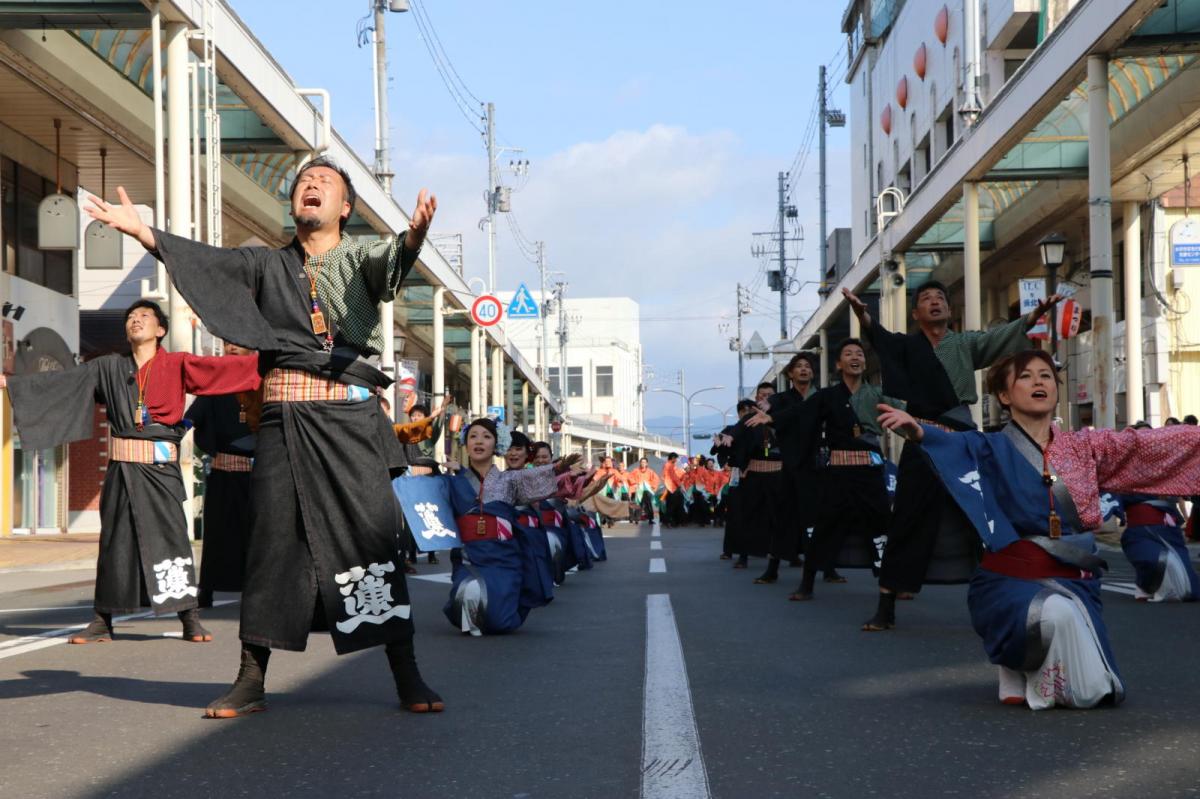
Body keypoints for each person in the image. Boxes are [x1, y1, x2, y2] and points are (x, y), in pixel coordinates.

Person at [84, 158, 443, 716]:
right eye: (303, 183)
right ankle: (251, 679)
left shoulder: (361, 257)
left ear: (345, 208)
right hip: (282, 424)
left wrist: (414, 235)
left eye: (324, 183)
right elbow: (211, 263)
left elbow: (392, 259)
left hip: (350, 426)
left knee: (370, 544)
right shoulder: (266, 265)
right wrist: (146, 234)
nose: (311, 187)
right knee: (273, 548)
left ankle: (406, 674)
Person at [879, 349, 1200, 708]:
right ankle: (1012, 658)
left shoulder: (1087, 447)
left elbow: (1143, 446)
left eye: (1046, 375)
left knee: (1094, 691)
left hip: (1074, 580)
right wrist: (920, 432)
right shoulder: (989, 445)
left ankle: (1026, 662)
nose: (1039, 382)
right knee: (1053, 617)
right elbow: (954, 445)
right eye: (1027, 376)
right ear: (1003, 395)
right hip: (1010, 582)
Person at [0, 302, 259, 644]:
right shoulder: (108, 366)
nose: (135, 321)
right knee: (114, 543)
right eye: (130, 318)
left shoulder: (178, 364)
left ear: (161, 329)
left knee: (172, 540)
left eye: (144, 317)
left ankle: (189, 617)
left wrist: (273, 360)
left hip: (160, 472)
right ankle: (102, 620)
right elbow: (65, 382)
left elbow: (220, 370)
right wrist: (12, 383)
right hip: (122, 469)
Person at [843, 282, 1062, 631]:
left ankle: (1006, 599)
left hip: (963, 439)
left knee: (983, 518)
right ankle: (886, 607)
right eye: (927, 299)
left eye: (940, 298)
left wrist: (1034, 315)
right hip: (923, 437)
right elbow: (879, 336)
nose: (935, 303)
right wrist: (863, 316)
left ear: (949, 309)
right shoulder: (905, 346)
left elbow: (1002, 336)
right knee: (907, 520)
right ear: (915, 314)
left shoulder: (964, 343)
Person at [752, 339, 890, 600]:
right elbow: (802, 412)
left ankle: (891, 582)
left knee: (880, 527)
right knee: (824, 527)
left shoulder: (876, 393)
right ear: (839, 364)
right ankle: (807, 583)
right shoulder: (827, 396)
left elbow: (902, 412)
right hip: (837, 471)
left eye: (859, 353)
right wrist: (773, 418)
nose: (855, 357)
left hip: (870, 470)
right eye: (848, 353)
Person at [443, 419, 583, 635]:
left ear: (497, 445)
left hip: (503, 558)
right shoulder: (453, 481)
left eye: (486, 436)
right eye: (473, 436)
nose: (479, 441)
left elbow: (534, 476)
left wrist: (558, 468)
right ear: (466, 443)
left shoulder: (510, 480)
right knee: (468, 592)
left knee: (500, 621)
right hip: (469, 556)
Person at [186, 341, 264, 607]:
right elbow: (192, 417)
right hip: (223, 472)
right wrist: (169, 432)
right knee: (218, 535)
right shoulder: (215, 384)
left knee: (259, 534)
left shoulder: (263, 380)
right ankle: (206, 588)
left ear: (252, 350)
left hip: (260, 474)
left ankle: (259, 589)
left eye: (240, 343)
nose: (232, 347)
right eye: (228, 343)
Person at [1118, 493, 1199, 601]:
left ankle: (1152, 587)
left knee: (1188, 583)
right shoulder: (1123, 484)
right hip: (1138, 530)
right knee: (1152, 559)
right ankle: (1145, 585)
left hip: (1167, 530)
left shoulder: (1166, 483)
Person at [628, 457, 661, 524]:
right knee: (638, 504)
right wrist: (635, 483)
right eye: (642, 462)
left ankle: (650, 519)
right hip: (638, 491)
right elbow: (630, 477)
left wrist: (651, 486)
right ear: (640, 463)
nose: (643, 463)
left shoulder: (650, 471)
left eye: (644, 462)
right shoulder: (636, 470)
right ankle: (637, 519)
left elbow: (656, 479)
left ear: (647, 464)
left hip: (647, 491)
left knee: (648, 504)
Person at [661, 453, 688, 528]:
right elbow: (674, 477)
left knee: (676, 504)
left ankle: (677, 521)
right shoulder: (669, 465)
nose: (676, 460)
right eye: (676, 458)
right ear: (673, 458)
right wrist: (681, 485)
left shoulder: (667, 465)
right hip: (672, 488)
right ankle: (670, 522)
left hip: (671, 487)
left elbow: (664, 476)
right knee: (673, 505)